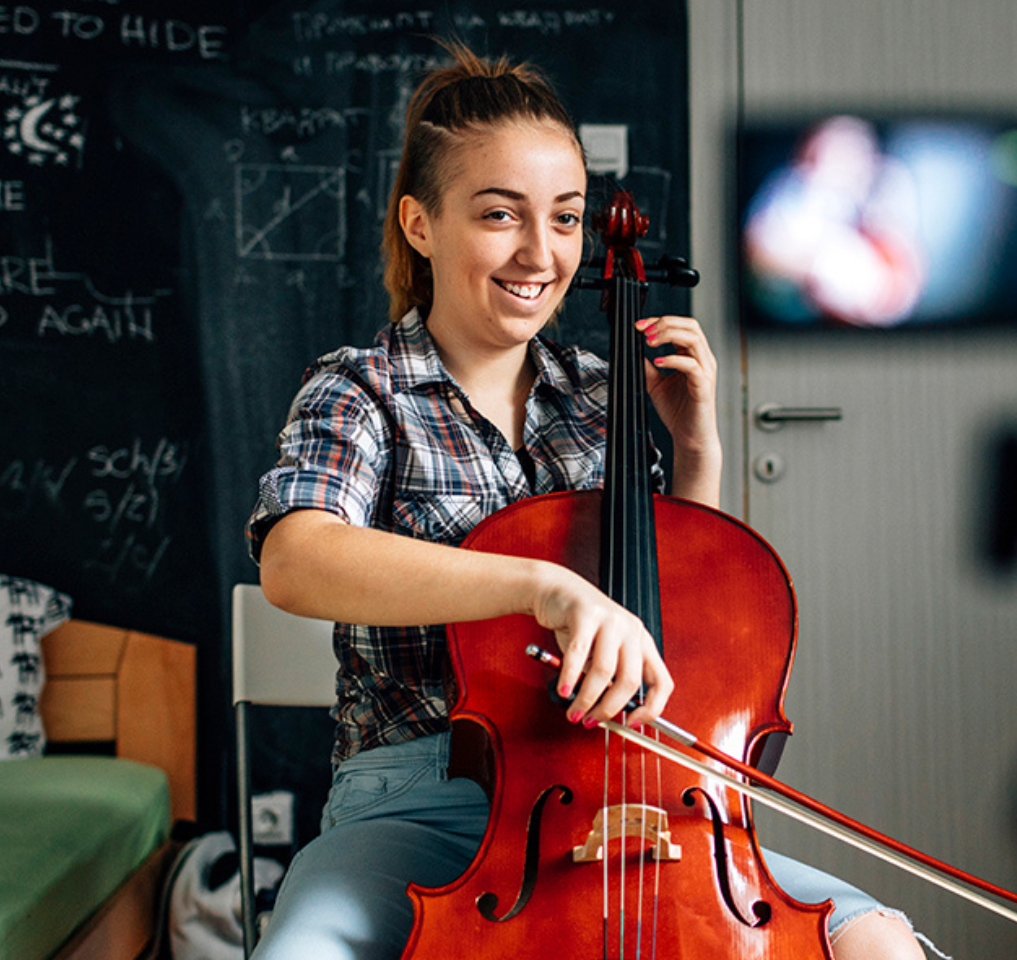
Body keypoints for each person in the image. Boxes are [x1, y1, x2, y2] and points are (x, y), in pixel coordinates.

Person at [245, 41, 927, 960]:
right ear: (420, 223)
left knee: (876, 945)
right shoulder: (361, 391)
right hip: (415, 806)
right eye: (499, 215)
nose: (541, 253)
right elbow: (296, 558)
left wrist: (696, 451)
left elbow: (688, 627)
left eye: (565, 219)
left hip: (634, 797)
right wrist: (542, 587)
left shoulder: (605, 394)